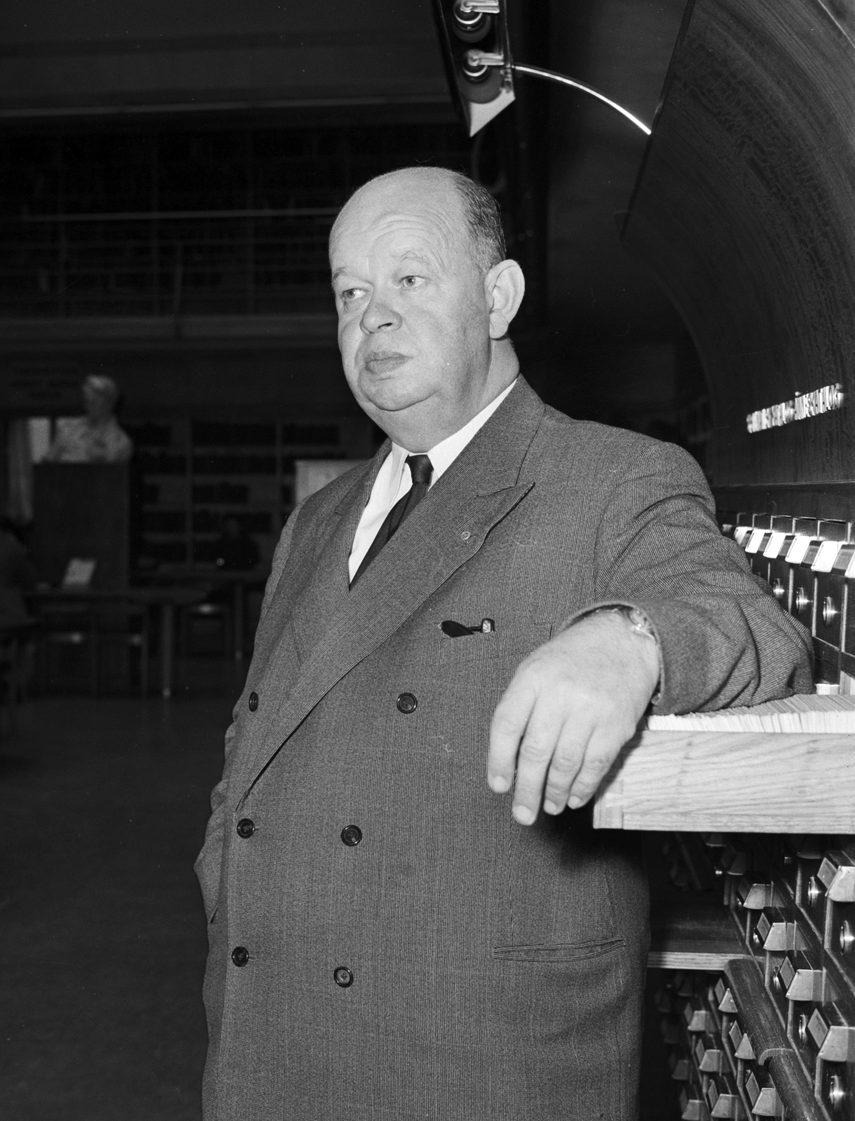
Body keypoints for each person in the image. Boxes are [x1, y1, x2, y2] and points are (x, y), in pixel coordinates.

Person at [194, 166, 812, 1119]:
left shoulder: (609, 477)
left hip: (472, 1051)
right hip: (269, 1035)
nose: (372, 316)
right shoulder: (315, 522)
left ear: (498, 297)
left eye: (408, 278)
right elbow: (256, 737)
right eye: (348, 292)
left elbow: (750, 624)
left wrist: (626, 639)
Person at [43, 374, 133, 464]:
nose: (88, 408)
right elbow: (47, 465)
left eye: (94, 403)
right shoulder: (68, 430)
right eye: (86, 402)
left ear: (109, 403)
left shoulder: (121, 442)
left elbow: (117, 475)